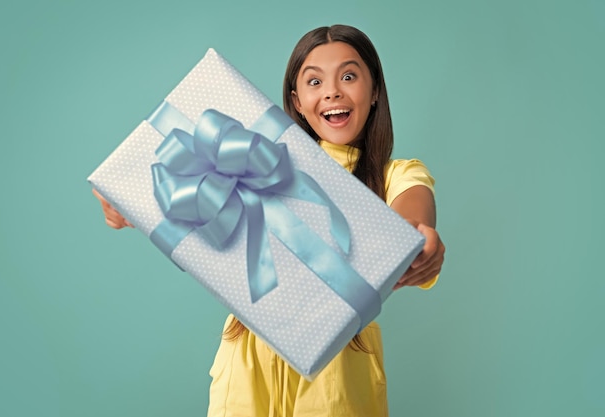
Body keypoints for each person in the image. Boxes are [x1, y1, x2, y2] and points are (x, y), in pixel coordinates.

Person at [93, 24, 444, 417]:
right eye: (314, 81)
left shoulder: (396, 174)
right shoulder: (255, 157)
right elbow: (188, 205)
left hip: (340, 369)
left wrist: (419, 237)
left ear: (374, 90)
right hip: (247, 359)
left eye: (348, 76)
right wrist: (127, 204)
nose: (332, 92)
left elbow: (413, 213)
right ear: (296, 100)